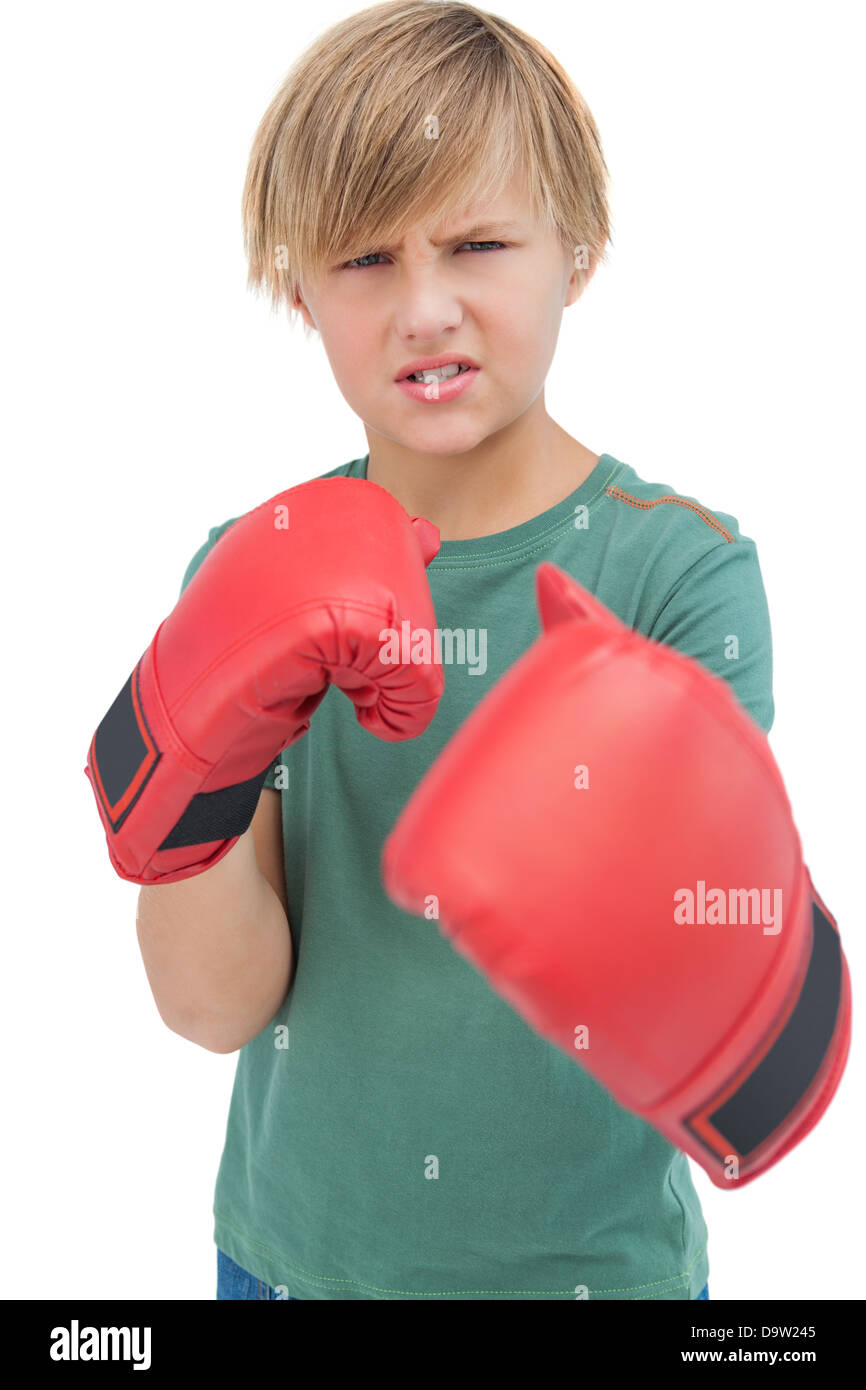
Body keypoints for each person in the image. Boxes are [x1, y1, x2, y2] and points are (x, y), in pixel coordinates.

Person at [133, 0, 777, 1299]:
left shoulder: (675, 568)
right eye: (365, 258)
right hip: (289, 1264)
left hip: (592, 1277)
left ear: (575, 251)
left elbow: (704, 981)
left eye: (477, 243)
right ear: (297, 283)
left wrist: (602, 791)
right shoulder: (246, 570)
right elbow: (212, 1010)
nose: (424, 307)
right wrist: (188, 761)